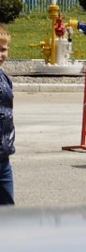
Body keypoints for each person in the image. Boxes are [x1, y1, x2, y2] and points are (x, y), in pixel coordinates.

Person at [0, 25, 14, 205]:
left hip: (3, 157)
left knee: (9, 211)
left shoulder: (4, 77)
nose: (0, 54)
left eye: (3, 49)